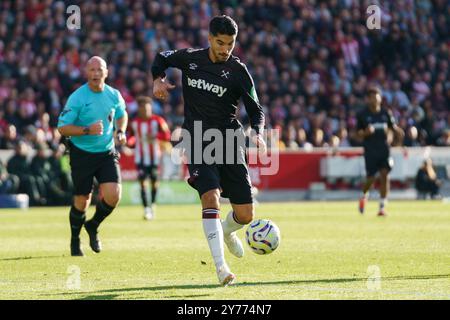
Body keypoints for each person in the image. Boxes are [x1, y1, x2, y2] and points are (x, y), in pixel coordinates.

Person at [151, 15, 266, 286]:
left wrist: (258, 133)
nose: (226, 49)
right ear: (210, 38)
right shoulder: (190, 58)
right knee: (210, 197)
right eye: (220, 42)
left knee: (246, 215)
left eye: (230, 44)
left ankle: (227, 231)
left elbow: (256, 109)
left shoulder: (239, 70)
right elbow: (161, 57)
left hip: (228, 141)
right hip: (197, 138)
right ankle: (221, 267)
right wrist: (158, 79)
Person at [57, 56, 128, 257]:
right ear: (86, 73)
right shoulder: (77, 98)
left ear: (106, 72)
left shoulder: (114, 94)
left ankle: (93, 225)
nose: (96, 73)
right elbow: (62, 127)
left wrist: (120, 131)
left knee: (114, 195)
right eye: (92, 70)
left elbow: (122, 114)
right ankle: (74, 240)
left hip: (106, 152)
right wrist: (87, 129)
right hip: (82, 154)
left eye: (100, 69)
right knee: (83, 199)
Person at [357, 86, 404, 217]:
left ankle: (382, 206)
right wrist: (365, 133)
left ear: (380, 99)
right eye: (371, 97)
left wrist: (398, 131)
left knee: (385, 175)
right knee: (371, 179)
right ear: (368, 99)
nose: (374, 100)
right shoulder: (363, 115)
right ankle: (364, 195)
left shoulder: (385, 113)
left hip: (384, 150)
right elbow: (356, 134)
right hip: (370, 151)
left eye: (376, 97)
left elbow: (393, 128)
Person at [129, 96, 171, 220]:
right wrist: (129, 143)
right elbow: (131, 137)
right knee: (142, 183)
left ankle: (152, 204)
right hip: (140, 158)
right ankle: (146, 209)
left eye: (148, 109)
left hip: (154, 158)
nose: (146, 112)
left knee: (154, 183)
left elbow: (167, 135)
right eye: (143, 109)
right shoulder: (134, 122)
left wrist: (155, 135)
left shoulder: (158, 120)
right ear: (139, 109)